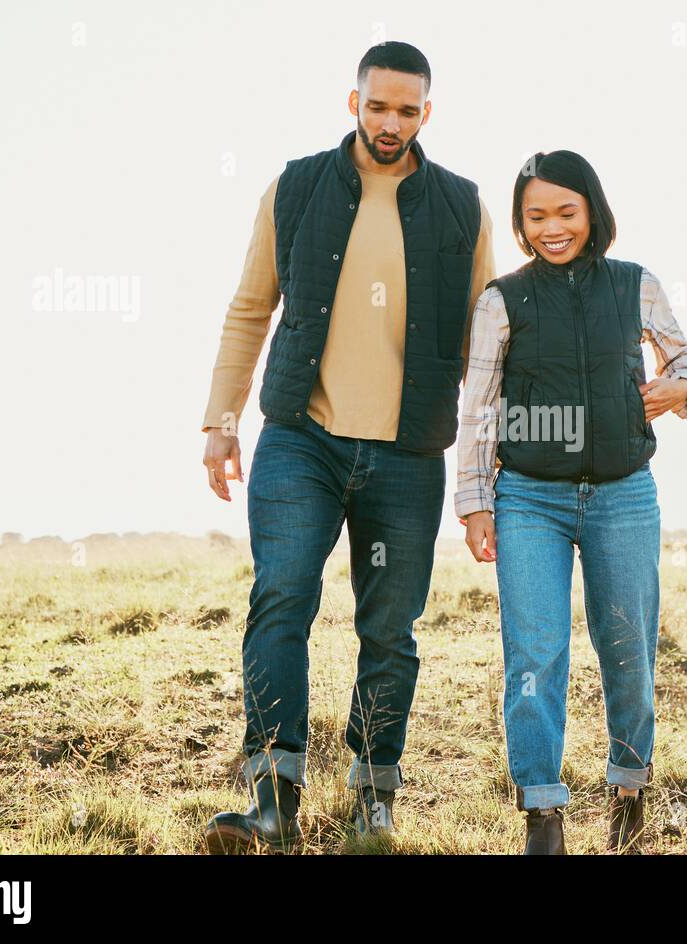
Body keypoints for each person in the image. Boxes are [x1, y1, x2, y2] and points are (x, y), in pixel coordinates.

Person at [199, 41, 495, 853]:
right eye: (378, 106)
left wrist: (483, 474)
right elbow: (249, 308)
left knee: (390, 629)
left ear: (426, 113)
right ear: (353, 102)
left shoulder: (464, 206)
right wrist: (221, 420)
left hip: (407, 454)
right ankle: (273, 796)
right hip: (303, 438)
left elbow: (486, 347)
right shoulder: (295, 188)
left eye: (407, 110)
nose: (391, 122)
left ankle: (374, 798)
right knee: (281, 598)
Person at [456, 150, 687, 854]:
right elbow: (478, 409)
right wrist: (475, 503)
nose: (552, 228)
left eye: (566, 212)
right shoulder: (502, 300)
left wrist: (684, 387)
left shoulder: (636, 285)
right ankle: (542, 811)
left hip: (624, 494)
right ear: (521, 224)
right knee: (534, 651)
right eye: (536, 216)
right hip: (528, 497)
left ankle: (629, 787)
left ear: (593, 211)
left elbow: (686, 356)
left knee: (628, 644)